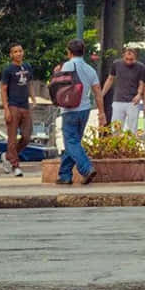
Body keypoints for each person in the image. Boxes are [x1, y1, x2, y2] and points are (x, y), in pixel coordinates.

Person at [55, 38, 100, 186]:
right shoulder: (90, 69)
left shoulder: (66, 66)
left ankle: (86, 168)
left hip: (69, 109)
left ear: (69, 52)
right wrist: (102, 112)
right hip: (85, 109)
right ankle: (65, 175)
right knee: (74, 142)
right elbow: (97, 93)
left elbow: (57, 84)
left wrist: (56, 72)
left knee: (71, 142)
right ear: (83, 52)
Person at [0, 43, 36, 178]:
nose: (18, 53)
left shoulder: (27, 67)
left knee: (27, 137)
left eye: (20, 51)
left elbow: (30, 83)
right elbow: (3, 89)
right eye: (15, 52)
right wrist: (6, 108)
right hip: (13, 105)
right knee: (12, 138)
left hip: (25, 105)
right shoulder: (8, 70)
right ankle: (15, 166)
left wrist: (33, 98)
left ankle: (8, 155)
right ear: (11, 55)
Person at [100, 45, 145, 135]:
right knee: (116, 129)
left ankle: (131, 148)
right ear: (123, 56)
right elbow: (110, 79)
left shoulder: (140, 67)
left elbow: (142, 83)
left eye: (131, 59)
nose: (129, 61)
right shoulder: (116, 64)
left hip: (133, 102)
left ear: (135, 57)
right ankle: (116, 147)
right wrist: (102, 94)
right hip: (118, 100)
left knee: (132, 129)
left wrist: (139, 94)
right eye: (127, 59)